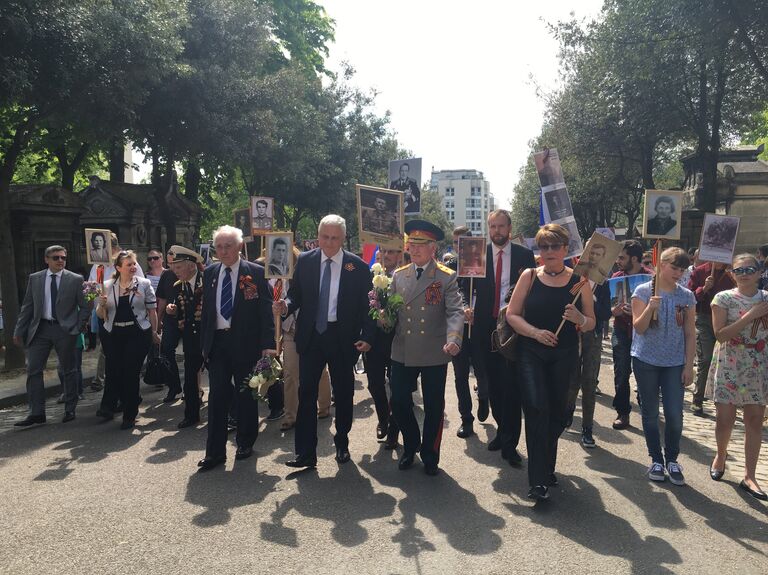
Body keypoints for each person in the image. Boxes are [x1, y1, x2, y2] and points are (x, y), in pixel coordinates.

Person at [274, 215, 375, 468]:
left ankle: (342, 442)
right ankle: (305, 453)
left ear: (343, 239)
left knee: (343, 393)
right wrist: (285, 305)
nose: (329, 243)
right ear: (318, 237)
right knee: (305, 393)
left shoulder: (358, 267)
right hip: (311, 336)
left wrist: (366, 336)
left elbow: (367, 307)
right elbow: (296, 295)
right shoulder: (306, 261)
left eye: (335, 238)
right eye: (325, 237)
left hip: (343, 338)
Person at [506, 224, 595, 501]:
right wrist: (535, 333)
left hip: (565, 354)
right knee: (536, 409)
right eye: (543, 247)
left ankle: (546, 465)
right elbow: (512, 314)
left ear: (566, 250)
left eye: (554, 246)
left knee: (559, 414)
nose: (549, 252)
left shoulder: (580, 281)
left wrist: (579, 319)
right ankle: (538, 480)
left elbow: (591, 322)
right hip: (531, 353)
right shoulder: (529, 276)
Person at [388, 220, 464, 476]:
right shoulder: (399, 275)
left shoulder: (446, 276)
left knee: (433, 406)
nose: (415, 249)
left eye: (421, 245)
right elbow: (390, 312)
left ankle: (430, 454)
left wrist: (454, 338)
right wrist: (381, 316)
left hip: (434, 349)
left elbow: (455, 310)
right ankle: (411, 444)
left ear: (433, 248)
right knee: (398, 401)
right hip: (403, 348)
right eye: (412, 244)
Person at [197, 226, 275, 471]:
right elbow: (208, 313)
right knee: (217, 397)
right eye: (219, 247)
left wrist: (268, 345)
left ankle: (245, 441)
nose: (223, 251)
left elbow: (265, 311)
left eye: (228, 246)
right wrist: (204, 346)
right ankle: (215, 452)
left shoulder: (256, 273)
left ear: (239, 246)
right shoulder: (209, 273)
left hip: (246, 344)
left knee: (246, 395)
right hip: (218, 345)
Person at [474, 210, 537, 466]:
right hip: (483, 327)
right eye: (492, 226)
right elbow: (463, 287)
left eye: (501, 226)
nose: (497, 231)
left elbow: (532, 290)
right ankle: (501, 430)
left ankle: (510, 443)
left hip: (512, 328)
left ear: (510, 227)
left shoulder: (524, 255)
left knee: (511, 386)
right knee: (491, 385)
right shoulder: (476, 254)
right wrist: (467, 306)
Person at [631, 247, 695, 486]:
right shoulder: (643, 291)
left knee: (674, 414)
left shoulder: (686, 296)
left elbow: (690, 333)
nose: (678, 273)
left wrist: (689, 365)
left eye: (682, 269)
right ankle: (656, 458)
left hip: (674, 362)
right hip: (646, 359)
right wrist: (651, 307)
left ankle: (672, 458)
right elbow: (639, 327)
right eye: (674, 267)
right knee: (649, 413)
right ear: (661, 264)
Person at [706, 254, 768, 500]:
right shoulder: (723, 298)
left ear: (759, 271)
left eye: (749, 269)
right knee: (725, 419)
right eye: (739, 270)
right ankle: (721, 455)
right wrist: (750, 316)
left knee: (754, 421)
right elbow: (720, 335)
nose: (744, 273)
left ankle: (749, 475)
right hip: (730, 362)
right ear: (732, 273)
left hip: (757, 364)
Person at [13, 246, 90, 426]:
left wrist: (77, 327)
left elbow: (86, 305)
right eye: (56, 258)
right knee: (33, 370)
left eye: (63, 257)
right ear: (46, 259)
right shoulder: (35, 278)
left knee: (68, 369)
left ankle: (70, 408)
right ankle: (36, 413)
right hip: (40, 329)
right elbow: (27, 307)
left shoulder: (75, 279)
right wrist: (18, 331)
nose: (60, 260)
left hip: (65, 330)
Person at [95, 250, 160, 429]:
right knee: (116, 372)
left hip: (137, 334)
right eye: (128, 265)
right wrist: (101, 305)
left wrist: (155, 332)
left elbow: (152, 310)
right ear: (118, 268)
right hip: (114, 335)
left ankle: (129, 414)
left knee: (131, 373)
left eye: (134, 264)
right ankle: (118, 403)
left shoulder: (144, 284)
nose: (133, 267)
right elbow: (101, 315)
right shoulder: (107, 286)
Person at [272, 246, 332, 432]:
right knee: (290, 372)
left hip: (311, 329)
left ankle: (323, 406)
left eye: (286, 256)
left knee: (319, 371)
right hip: (290, 329)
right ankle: (291, 415)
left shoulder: (307, 274)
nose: (282, 259)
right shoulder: (277, 281)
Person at [447, 227, 490, 440]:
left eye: (463, 242)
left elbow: (489, 293)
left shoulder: (483, 265)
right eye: (456, 243)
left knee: (482, 370)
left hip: (480, 328)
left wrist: (476, 310)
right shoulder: (449, 267)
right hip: (458, 330)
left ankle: (484, 396)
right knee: (460, 375)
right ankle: (466, 419)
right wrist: (463, 307)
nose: (459, 247)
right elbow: (453, 293)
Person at [610, 240, 654, 430]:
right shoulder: (616, 277)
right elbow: (608, 307)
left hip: (645, 333)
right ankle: (623, 412)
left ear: (634, 259)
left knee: (645, 373)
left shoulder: (652, 279)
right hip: (621, 329)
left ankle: (647, 408)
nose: (618, 260)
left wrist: (640, 312)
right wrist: (615, 311)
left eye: (622, 257)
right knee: (621, 372)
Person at [365, 246, 403, 447]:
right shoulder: (371, 275)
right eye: (384, 252)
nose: (387, 256)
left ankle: (394, 430)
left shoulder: (405, 276)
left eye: (392, 252)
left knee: (396, 386)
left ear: (399, 254)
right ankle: (383, 418)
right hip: (374, 340)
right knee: (374, 384)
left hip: (398, 339)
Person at [163, 245, 205, 428]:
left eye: (178, 267)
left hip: (210, 338)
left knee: (222, 379)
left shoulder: (208, 281)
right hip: (191, 339)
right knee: (189, 379)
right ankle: (191, 415)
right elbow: (182, 311)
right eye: (173, 267)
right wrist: (172, 311)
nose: (175, 271)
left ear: (190, 265)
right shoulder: (178, 286)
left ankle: (230, 414)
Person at [687, 259, 735, 417]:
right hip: (704, 319)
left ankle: (722, 401)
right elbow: (689, 298)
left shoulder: (732, 274)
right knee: (706, 359)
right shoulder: (700, 271)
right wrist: (704, 288)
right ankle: (698, 399)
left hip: (727, 321)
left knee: (725, 362)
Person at [566, 280, 612, 447]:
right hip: (572, 335)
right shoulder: (572, 278)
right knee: (572, 378)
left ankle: (587, 428)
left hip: (593, 335)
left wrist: (590, 299)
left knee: (589, 382)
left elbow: (606, 313)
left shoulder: (603, 284)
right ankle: (568, 410)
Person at [154, 251, 182, 402]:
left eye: (175, 263)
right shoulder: (166, 276)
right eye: (170, 263)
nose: (173, 267)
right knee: (166, 351)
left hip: (189, 319)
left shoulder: (192, 273)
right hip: (171, 319)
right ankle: (174, 385)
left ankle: (194, 388)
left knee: (195, 355)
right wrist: (158, 322)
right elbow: (162, 300)